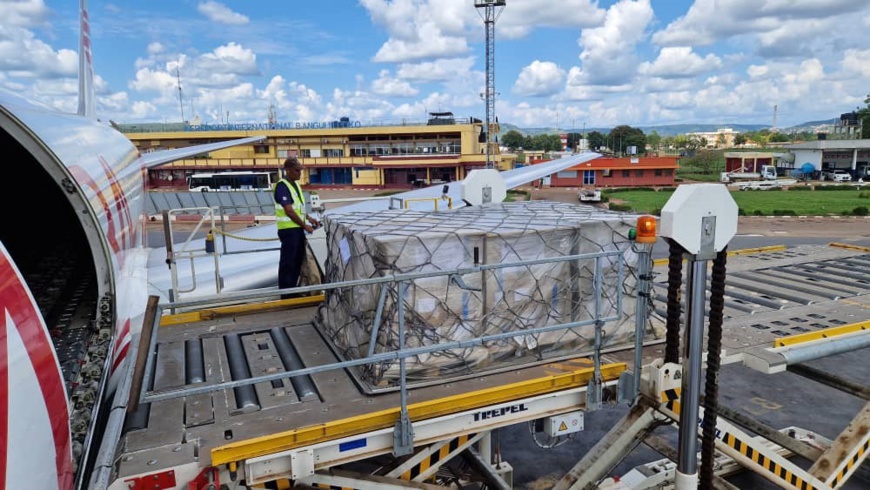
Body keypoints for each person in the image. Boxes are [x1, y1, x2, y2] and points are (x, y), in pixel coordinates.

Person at [274, 157, 320, 299]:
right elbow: (288, 210)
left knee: (296, 261)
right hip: (288, 230)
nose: (300, 173)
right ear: (288, 170)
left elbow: (298, 209)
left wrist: (309, 218)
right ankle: (286, 294)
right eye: (297, 170)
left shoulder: (295, 186)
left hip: (297, 229)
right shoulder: (282, 186)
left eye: (300, 171)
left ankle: (292, 290)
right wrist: (304, 225)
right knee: (288, 262)